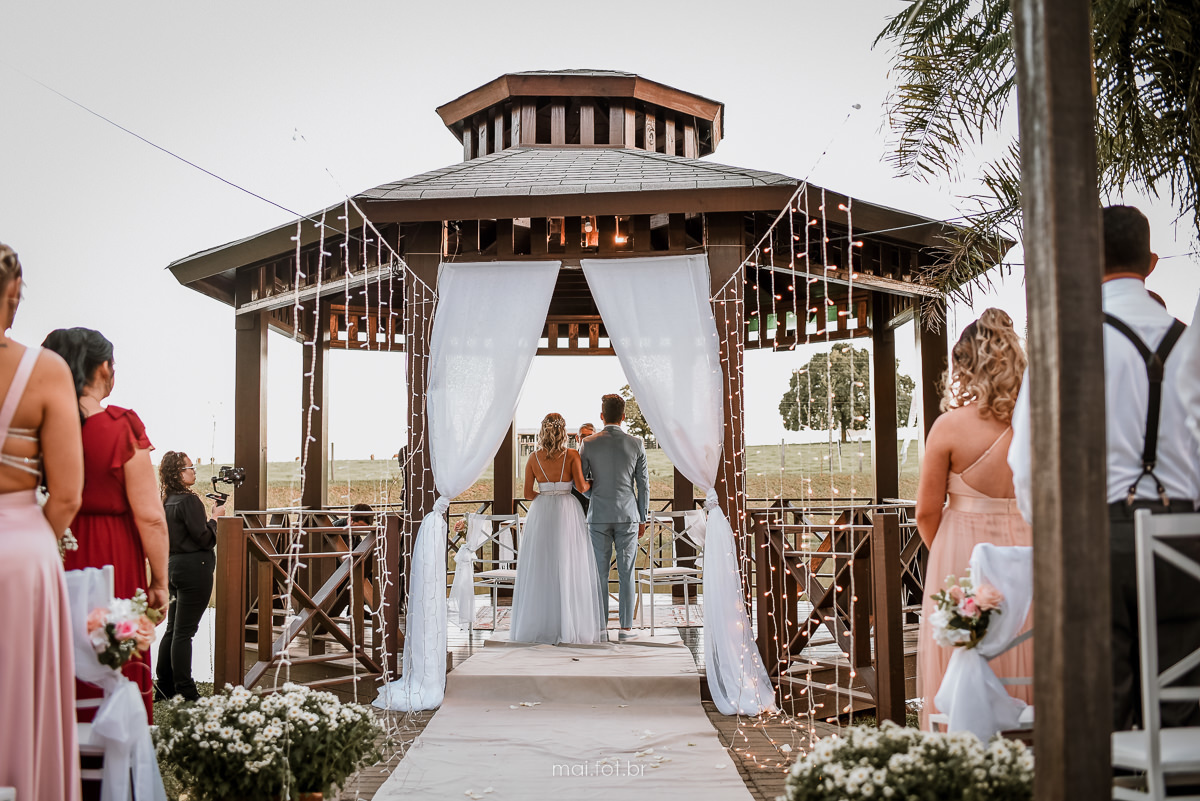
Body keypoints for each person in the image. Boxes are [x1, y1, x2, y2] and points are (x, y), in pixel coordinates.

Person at [1009, 205, 1200, 732]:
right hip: (1185, 541)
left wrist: (1055, 533)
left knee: (1100, 704)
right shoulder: (1191, 344)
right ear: (1152, 262)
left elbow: (1027, 462)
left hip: (1096, 539)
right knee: (1183, 702)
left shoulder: (1066, 343)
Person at [43, 327, 169, 722]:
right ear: (103, 368)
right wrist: (160, 581)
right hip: (114, 554)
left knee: (57, 653)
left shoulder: (39, 425)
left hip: (53, 544)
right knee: (113, 648)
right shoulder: (120, 426)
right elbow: (150, 516)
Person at [915, 308, 1032, 730]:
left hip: (961, 553)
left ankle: (963, 747)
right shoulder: (1037, 422)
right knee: (1027, 644)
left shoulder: (949, 427)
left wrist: (945, 555)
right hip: (1028, 549)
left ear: (964, 366)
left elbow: (926, 511)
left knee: (963, 651)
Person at [0, 244, 84, 801]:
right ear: (12, 294)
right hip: (19, 553)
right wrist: (27, 538)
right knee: (21, 701)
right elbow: (67, 495)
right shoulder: (45, 370)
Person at [509, 413, 602, 644]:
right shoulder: (571, 455)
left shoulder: (533, 458)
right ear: (563, 432)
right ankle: (567, 624)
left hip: (541, 512)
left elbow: (527, 493)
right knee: (568, 562)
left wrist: (546, 495)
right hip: (566, 510)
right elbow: (581, 487)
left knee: (542, 565)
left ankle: (541, 624)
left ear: (543, 431)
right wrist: (594, 481)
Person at [580, 394, 649, 642]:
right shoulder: (637, 443)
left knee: (599, 572)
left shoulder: (588, 443)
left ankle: (601, 628)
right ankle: (626, 629)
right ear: (623, 416)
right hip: (628, 515)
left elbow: (580, 482)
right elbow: (643, 485)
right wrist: (642, 517)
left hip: (598, 515)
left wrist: (595, 495)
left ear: (602, 416)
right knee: (626, 572)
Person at [155, 451, 222, 702]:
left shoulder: (167, 500)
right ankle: (185, 689)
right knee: (184, 632)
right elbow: (203, 538)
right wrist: (215, 519)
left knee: (173, 629)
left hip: (173, 566)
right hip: (195, 568)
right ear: (178, 473)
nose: (194, 471)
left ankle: (164, 686)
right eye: (189, 467)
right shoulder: (189, 501)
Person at [572, 422, 595, 515]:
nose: (586, 439)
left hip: (595, 510)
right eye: (583, 436)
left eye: (590, 436)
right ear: (577, 438)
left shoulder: (601, 459)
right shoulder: (571, 459)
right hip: (575, 508)